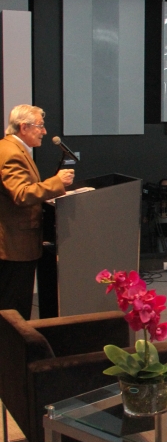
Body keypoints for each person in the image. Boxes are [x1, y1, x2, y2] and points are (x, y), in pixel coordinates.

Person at [0, 105, 72, 320]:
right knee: (14, 308)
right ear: (24, 127)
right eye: (40, 126)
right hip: (15, 244)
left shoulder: (12, 148)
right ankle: (13, 352)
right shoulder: (12, 153)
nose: (44, 131)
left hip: (15, 241)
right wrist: (56, 183)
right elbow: (21, 194)